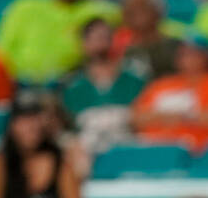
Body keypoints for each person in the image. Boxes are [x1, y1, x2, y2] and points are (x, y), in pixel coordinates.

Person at [0, 0, 120, 85]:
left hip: (66, 81)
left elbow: (121, 13)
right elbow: (1, 47)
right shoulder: (26, 4)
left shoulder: (90, 9)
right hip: (18, 81)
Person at [131, 34, 208, 153]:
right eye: (183, 53)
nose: (187, 58)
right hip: (154, 149)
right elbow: (136, 118)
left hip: (202, 151)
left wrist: (185, 116)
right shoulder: (161, 84)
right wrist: (172, 116)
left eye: (193, 53)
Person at [60, 18, 148, 157]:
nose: (100, 43)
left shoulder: (135, 79)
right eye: (94, 38)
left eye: (105, 37)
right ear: (83, 43)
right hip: (87, 153)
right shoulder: (72, 85)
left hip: (130, 147)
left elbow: (146, 117)